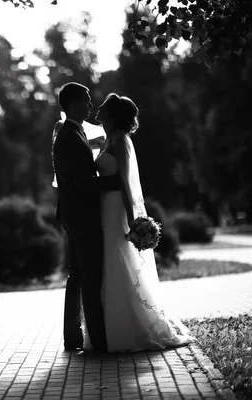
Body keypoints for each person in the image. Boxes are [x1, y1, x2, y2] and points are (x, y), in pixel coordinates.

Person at [91, 93, 193, 352]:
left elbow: (125, 182)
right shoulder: (108, 140)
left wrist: (132, 220)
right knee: (110, 261)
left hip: (116, 208)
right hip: (105, 206)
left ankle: (129, 328)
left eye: (104, 107)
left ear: (112, 115)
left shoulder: (120, 141)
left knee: (118, 258)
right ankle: (112, 325)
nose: (98, 108)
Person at [52, 82, 121, 352]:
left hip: (72, 213)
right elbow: (82, 183)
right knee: (89, 277)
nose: (90, 105)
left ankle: (74, 336)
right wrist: (116, 183)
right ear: (74, 104)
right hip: (81, 215)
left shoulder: (73, 132)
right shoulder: (69, 135)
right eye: (87, 100)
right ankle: (98, 339)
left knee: (78, 275)